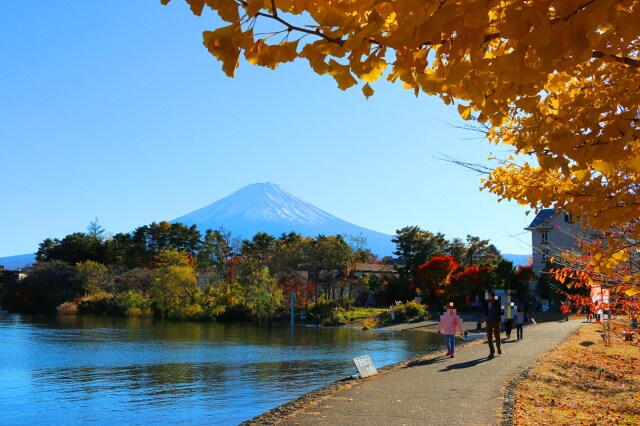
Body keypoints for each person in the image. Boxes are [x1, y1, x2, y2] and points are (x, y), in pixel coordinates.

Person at [484, 291, 502, 358]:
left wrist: (500, 319)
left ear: (493, 296)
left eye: (490, 296)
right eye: (488, 296)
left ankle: (498, 348)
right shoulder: (487, 303)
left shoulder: (497, 302)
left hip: (496, 321)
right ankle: (492, 351)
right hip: (488, 322)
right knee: (489, 338)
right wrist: (485, 318)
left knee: (497, 336)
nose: (488, 297)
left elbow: (501, 311)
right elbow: (485, 311)